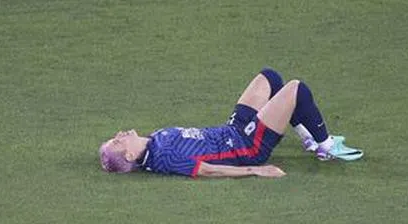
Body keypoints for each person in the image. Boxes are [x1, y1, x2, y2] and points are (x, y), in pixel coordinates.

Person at [98, 68, 363, 178]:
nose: (120, 134)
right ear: (130, 155)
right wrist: (255, 171)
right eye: (118, 141)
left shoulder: (155, 141)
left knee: (269, 78)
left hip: (232, 131)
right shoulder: (163, 157)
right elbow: (205, 170)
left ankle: (308, 138)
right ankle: (326, 146)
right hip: (246, 147)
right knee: (296, 89)